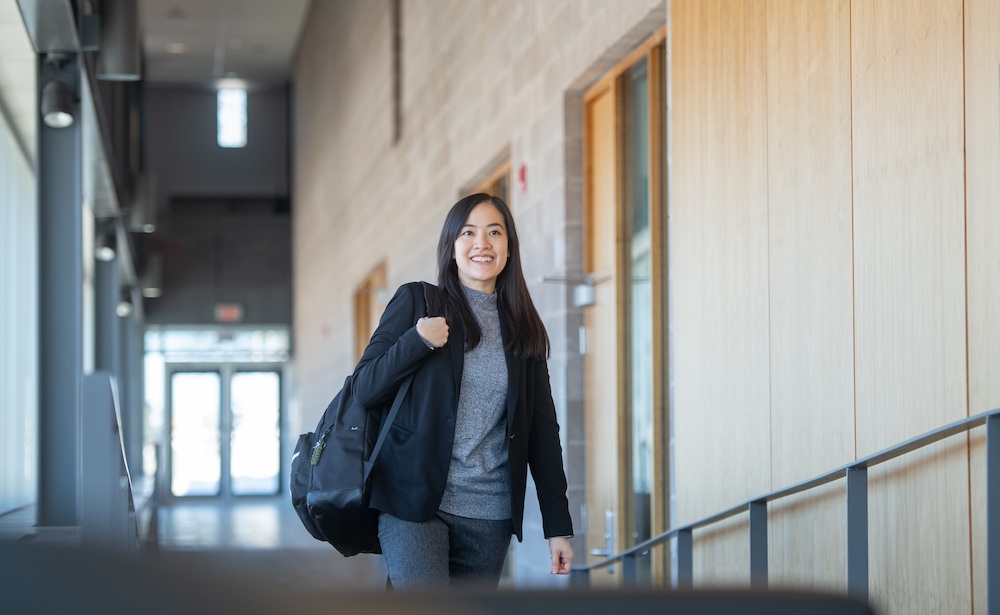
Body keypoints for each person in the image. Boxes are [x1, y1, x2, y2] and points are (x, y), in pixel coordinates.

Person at [351, 193, 574, 589]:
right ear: (452, 247)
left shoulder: (523, 329)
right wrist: (416, 341)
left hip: (489, 516)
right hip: (414, 504)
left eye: (494, 232)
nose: (482, 243)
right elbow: (364, 389)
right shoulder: (418, 302)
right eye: (468, 232)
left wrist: (558, 527)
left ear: (508, 248)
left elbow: (543, 432)